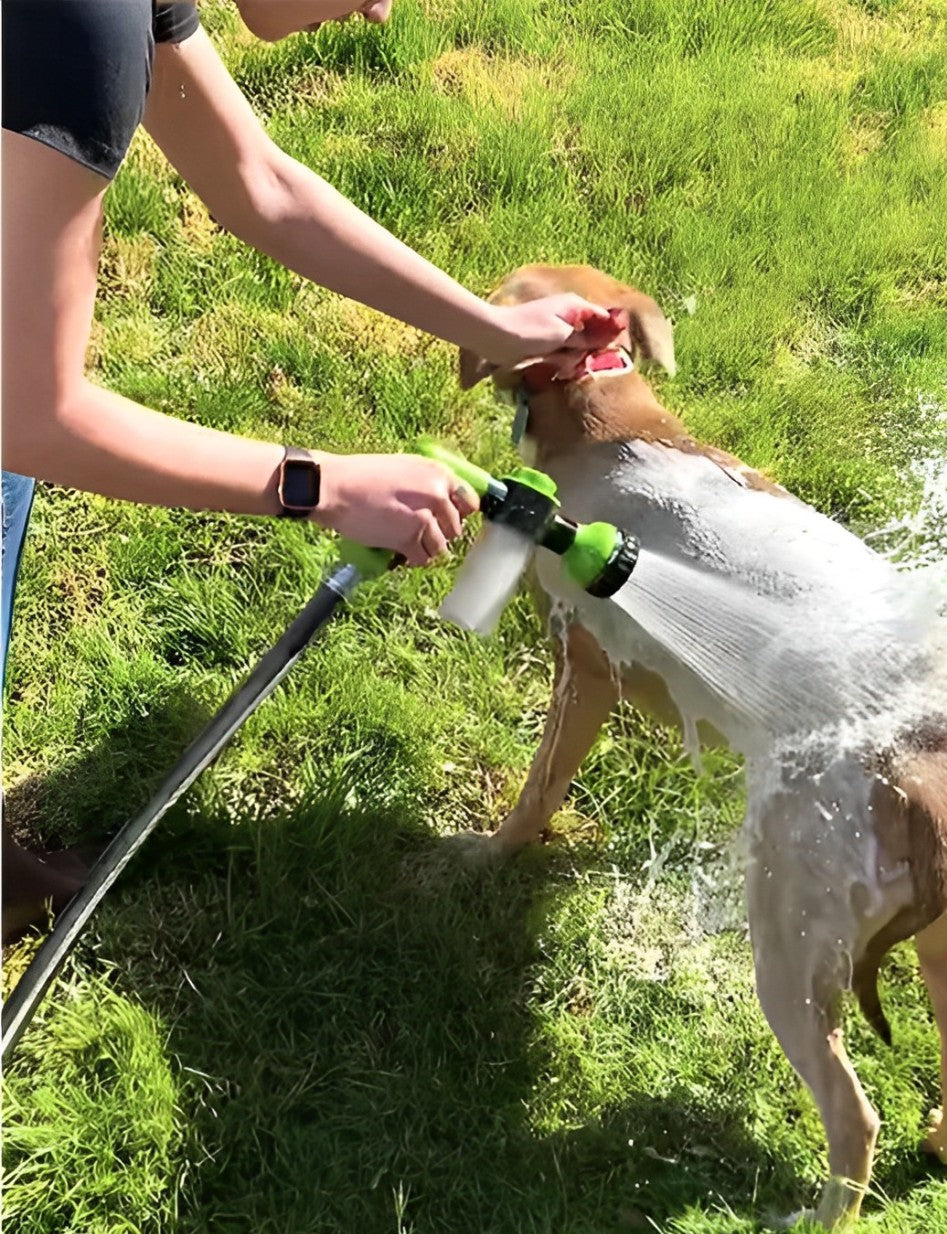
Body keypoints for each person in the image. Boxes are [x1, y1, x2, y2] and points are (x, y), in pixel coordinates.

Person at [1, 1, 608, 946]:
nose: (381, 11)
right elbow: (27, 415)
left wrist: (497, 331)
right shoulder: (73, 26)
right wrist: (320, 485)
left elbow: (261, 185)